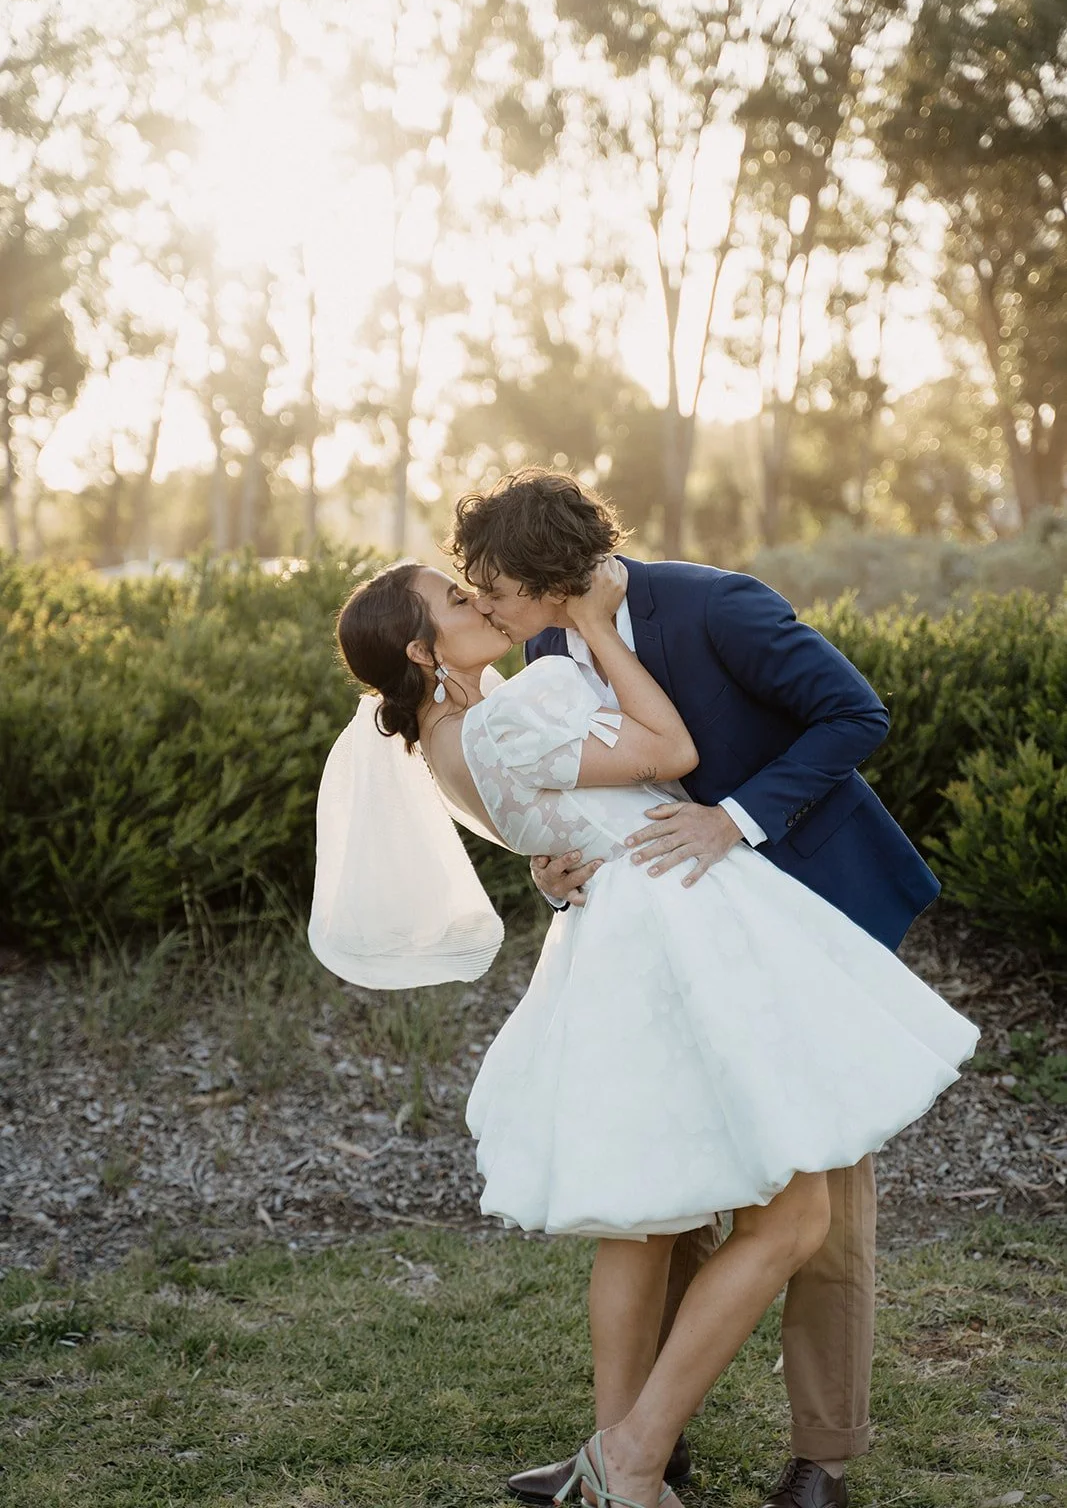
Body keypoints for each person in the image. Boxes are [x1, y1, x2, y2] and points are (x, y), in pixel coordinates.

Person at [309, 530, 978, 1508]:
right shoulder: (537, 662)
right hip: (680, 931)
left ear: (543, 574)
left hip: (782, 894)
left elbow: (848, 715)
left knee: (786, 1208)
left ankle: (806, 1457)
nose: (484, 604)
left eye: (486, 587)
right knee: (687, 1212)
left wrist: (693, 826)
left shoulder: (706, 604)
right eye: (461, 596)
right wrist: (552, 864)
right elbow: (622, 776)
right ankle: (633, 1456)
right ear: (422, 650)